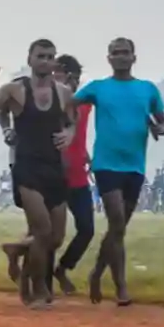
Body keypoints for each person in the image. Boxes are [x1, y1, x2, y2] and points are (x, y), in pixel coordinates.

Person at [0, 39, 76, 309]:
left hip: (54, 168)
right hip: (27, 167)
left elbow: (71, 120)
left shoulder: (63, 92)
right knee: (42, 230)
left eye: (50, 56)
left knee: (55, 237)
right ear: (30, 59)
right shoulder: (15, 89)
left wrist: (69, 134)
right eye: (40, 56)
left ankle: (19, 252)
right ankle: (39, 289)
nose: (45, 61)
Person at [73, 38, 164, 305]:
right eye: (116, 53)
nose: (121, 57)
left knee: (118, 229)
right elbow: (68, 101)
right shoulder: (99, 88)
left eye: (125, 53)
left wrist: (159, 128)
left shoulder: (147, 89)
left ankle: (96, 273)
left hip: (135, 166)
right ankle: (121, 287)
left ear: (133, 58)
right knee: (116, 222)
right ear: (109, 58)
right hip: (106, 164)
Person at [51, 54, 94, 295]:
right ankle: (35, 274)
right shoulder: (51, 103)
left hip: (78, 174)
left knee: (86, 228)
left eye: (74, 77)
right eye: (64, 75)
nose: (70, 81)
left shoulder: (84, 105)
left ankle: (62, 268)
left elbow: (78, 134)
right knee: (48, 232)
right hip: (55, 173)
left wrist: (84, 154)